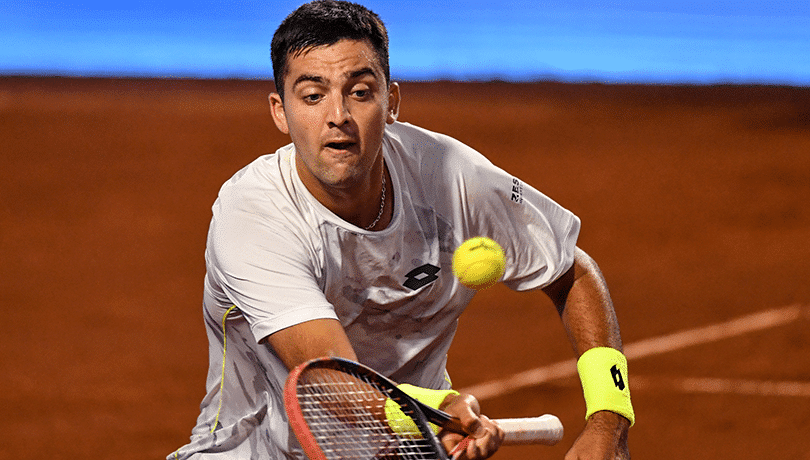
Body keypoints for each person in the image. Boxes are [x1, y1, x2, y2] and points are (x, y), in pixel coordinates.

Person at [169, 1, 633, 459]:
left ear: (390, 102)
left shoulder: (452, 177)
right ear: (280, 111)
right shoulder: (253, 212)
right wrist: (437, 411)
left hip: (414, 446)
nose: (338, 116)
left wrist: (609, 420)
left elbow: (571, 271)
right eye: (313, 96)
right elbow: (325, 373)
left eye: (360, 92)